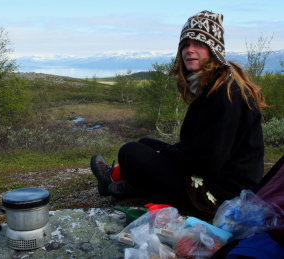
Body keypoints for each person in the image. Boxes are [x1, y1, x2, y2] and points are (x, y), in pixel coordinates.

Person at [91, 10, 268, 218]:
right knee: (146, 143)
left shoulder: (228, 94)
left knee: (131, 152)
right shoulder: (213, 86)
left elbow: (208, 163)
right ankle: (131, 184)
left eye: (199, 44)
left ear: (213, 50)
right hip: (213, 176)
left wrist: (165, 155)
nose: (189, 50)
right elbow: (197, 147)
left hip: (221, 194)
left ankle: (114, 179)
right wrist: (164, 153)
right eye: (185, 44)